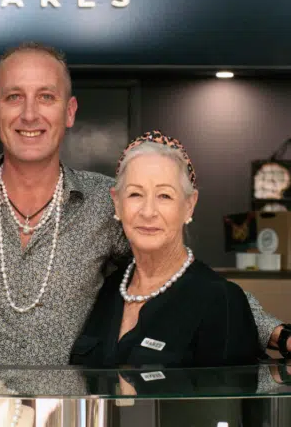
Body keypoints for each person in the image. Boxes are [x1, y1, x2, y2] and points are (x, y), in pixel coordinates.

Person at [0, 41, 288, 365]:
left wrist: (277, 333)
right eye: (13, 97)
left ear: (69, 111)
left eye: (46, 96)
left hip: (71, 423)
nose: (30, 114)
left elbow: (181, 277)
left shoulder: (106, 203)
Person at [70, 131, 262, 367]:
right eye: (135, 194)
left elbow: (230, 401)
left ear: (189, 206)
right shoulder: (109, 289)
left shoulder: (221, 300)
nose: (148, 211)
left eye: (164, 196)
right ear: (117, 203)